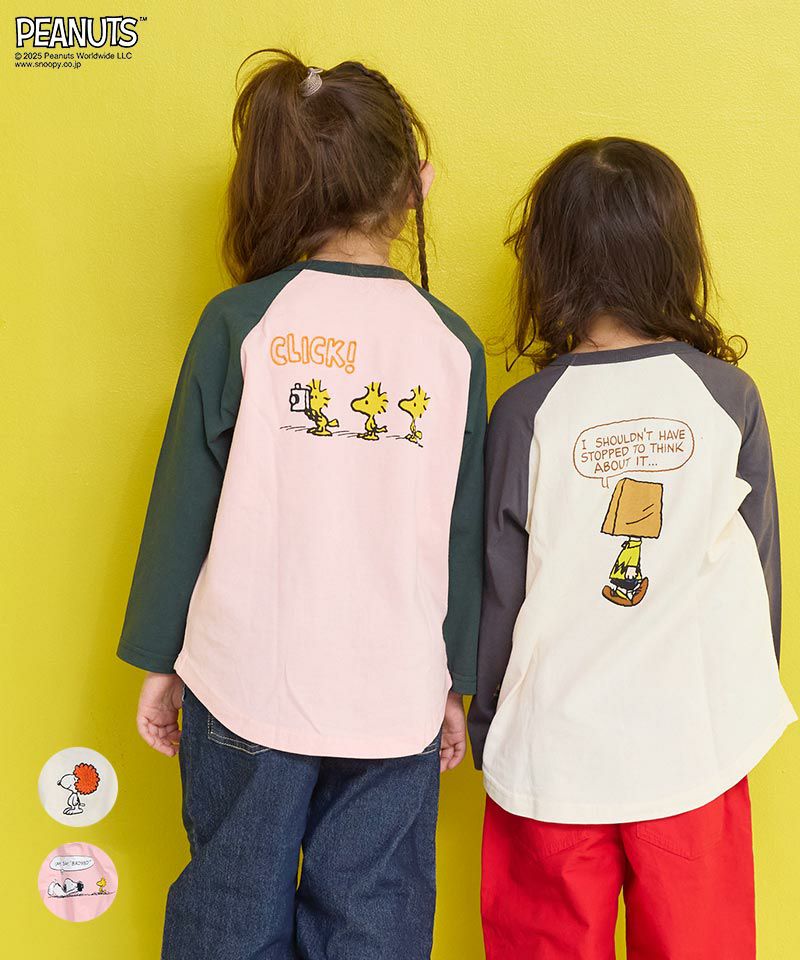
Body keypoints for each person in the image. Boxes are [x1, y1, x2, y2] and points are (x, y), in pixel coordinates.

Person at [118, 49, 486, 960]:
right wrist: (456, 681)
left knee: (228, 911)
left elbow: (184, 504)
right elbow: (460, 527)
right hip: (396, 693)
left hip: (245, 682)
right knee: (375, 921)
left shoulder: (241, 321)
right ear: (415, 186)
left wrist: (159, 659)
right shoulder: (451, 346)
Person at [468, 137, 795, 960]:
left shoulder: (525, 413)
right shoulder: (727, 398)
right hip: (692, 750)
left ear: (548, 262)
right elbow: (759, 578)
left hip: (552, 755)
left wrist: (485, 720)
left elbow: (499, 590)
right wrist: (740, 702)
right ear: (675, 254)